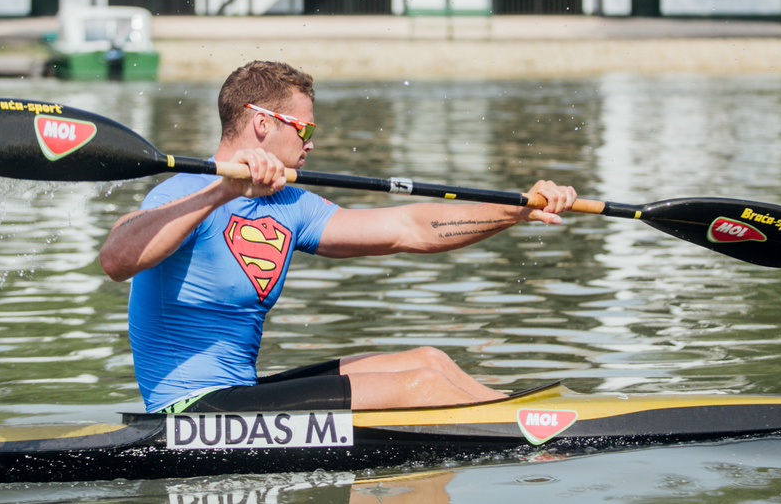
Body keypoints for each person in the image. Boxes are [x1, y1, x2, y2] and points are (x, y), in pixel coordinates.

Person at [99, 60, 577, 414]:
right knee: (421, 392)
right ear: (263, 122)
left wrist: (514, 210)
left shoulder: (291, 207)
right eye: (304, 128)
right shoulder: (185, 190)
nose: (311, 143)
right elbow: (116, 260)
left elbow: (407, 229)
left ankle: (541, 420)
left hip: (240, 396)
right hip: (187, 412)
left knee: (430, 363)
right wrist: (225, 190)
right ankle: (541, 429)